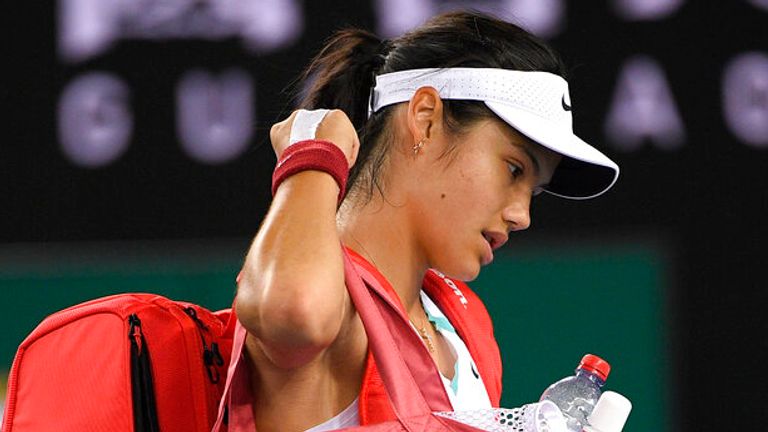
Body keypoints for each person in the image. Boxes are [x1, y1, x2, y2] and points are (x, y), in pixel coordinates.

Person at [225, 10, 619, 432]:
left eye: (534, 190)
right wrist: (312, 156)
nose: (522, 215)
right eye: (514, 169)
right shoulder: (325, 301)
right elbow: (293, 310)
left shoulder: (464, 327)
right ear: (426, 118)